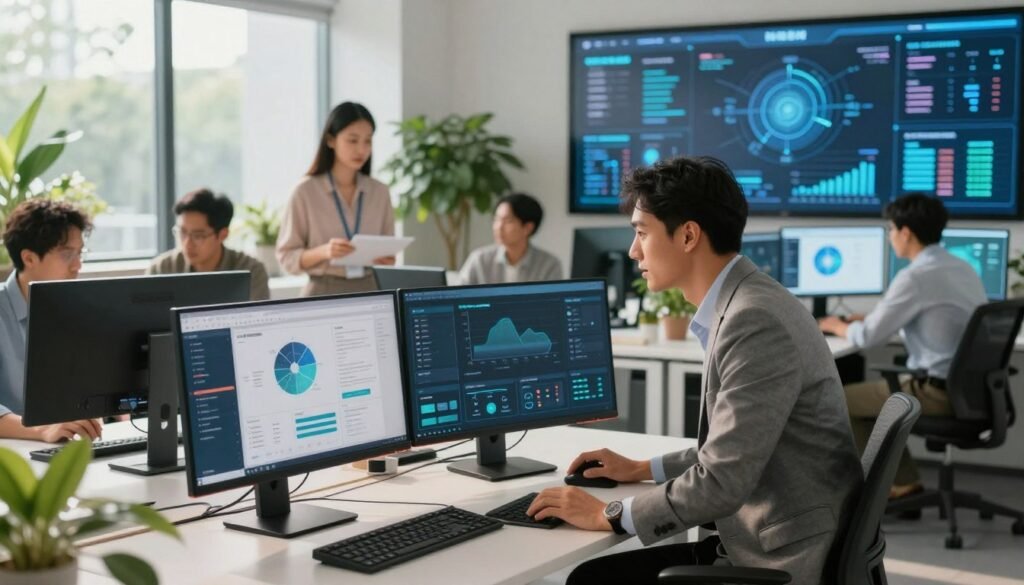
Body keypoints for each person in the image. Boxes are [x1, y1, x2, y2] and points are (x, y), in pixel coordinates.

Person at [526, 156, 862, 584]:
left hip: (782, 558)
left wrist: (608, 513)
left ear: (688, 235)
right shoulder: (749, 300)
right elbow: (736, 446)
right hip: (775, 533)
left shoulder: (753, 321)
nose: (633, 251)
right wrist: (641, 468)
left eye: (641, 233)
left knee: (591, 579)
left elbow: (722, 480)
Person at [819, 194, 986, 499]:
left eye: (891, 229)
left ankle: (896, 485)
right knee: (866, 400)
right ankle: (904, 482)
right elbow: (931, 317)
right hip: (969, 390)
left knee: (839, 401)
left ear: (906, 232)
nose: (890, 236)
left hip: (936, 392)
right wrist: (870, 318)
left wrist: (835, 325)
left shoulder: (915, 276)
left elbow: (868, 338)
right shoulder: (961, 268)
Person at [0, 199, 103, 442]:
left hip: (69, 446)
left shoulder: (77, 311)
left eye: (80, 253)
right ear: (29, 258)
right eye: (67, 254)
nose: (77, 265)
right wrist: (43, 429)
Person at [277, 101, 396, 296]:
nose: (361, 149)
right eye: (353, 140)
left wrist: (387, 260)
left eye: (368, 141)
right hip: (322, 291)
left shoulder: (380, 192)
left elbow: (388, 250)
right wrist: (325, 251)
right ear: (331, 140)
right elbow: (286, 258)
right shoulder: (305, 192)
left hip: (371, 289)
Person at [147, 188, 270, 300]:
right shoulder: (161, 269)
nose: (187, 244)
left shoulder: (251, 271)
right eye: (182, 233)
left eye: (198, 236)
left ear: (222, 235)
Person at [459, 192, 562, 285]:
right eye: (496, 219)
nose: (498, 227)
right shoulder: (480, 259)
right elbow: (459, 294)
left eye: (508, 221)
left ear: (528, 228)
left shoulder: (549, 265)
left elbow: (554, 299)